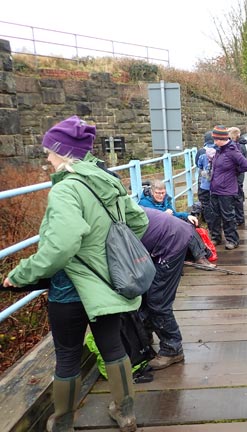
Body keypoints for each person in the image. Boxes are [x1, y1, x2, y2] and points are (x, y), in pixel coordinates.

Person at [2, 116, 147, 432]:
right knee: (112, 347)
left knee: (67, 355)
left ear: (64, 153)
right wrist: (105, 248)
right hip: (107, 283)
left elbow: (61, 246)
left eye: (50, 151)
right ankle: (126, 413)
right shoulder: (107, 179)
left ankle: (63, 421)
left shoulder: (65, 190)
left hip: (69, 287)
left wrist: (23, 273)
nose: (47, 157)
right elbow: (139, 223)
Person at [138, 207, 194, 370]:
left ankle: (172, 349)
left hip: (171, 241)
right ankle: (144, 337)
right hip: (162, 238)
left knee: (158, 300)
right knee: (143, 293)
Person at [139, 180, 214, 268]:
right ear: (152, 192)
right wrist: (164, 215)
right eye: (158, 193)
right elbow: (153, 220)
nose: (161, 196)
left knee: (189, 222)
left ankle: (196, 256)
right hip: (156, 232)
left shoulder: (165, 199)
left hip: (168, 225)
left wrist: (187, 216)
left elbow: (174, 214)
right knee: (184, 227)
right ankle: (200, 256)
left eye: (163, 193)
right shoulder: (144, 203)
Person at [210, 125, 247, 249]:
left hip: (227, 190)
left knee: (228, 216)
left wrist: (235, 171)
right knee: (215, 215)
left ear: (221, 139)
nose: (214, 141)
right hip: (215, 189)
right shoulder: (219, 150)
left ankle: (232, 240)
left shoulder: (232, 150)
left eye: (215, 139)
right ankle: (216, 237)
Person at [228, 127, 247, 226]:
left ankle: (239, 218)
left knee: (237, 196)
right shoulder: (242, 145)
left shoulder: (238, 146)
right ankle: (239, 217)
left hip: (237, 174)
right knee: (238, 194)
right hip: (239, 173)